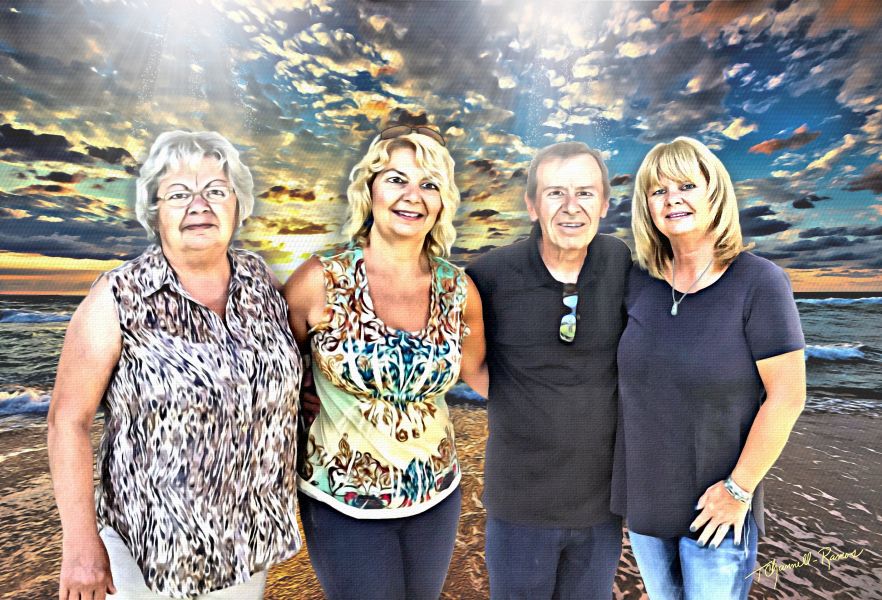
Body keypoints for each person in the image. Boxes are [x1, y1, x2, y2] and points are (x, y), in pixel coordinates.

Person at [47, 131, 303, 600]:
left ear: (238, 206)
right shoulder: (117, 297)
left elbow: (285, 371)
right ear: (155, 212)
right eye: (179, 194)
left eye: (216, 191)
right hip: (152, 551)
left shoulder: (261, 280)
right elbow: (67, 420)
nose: (199, 205)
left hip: (246, 542)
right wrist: (80, 544)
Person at [283, 125, 487, 600]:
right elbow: (276, 373)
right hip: (343, 504)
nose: (412, 196)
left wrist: (569, 393)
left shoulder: (459, 290)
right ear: (369, 189)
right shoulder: (321, 279)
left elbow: (479, 373)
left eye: (429, 184)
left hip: (436, 494)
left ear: (441, 203)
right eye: (397, 179)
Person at [615, 136, 806, 599]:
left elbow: (787, 395)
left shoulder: (759, 282)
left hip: (717, 511)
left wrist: (737, 491)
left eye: (686, 185)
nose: (672, 199)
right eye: (657, 191)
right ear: (646, 206)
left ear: (714, 194)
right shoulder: (636, 282)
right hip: (645, 504)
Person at [466, 141, 631, 598]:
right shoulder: (490, 275)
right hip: (520, 505)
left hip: (601, 509)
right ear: (532, 204)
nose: (571, 207)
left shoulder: (622, 263)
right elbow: (470, 365)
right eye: (556, 193)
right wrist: (527, 403)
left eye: (585, 193)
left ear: (604, 204)